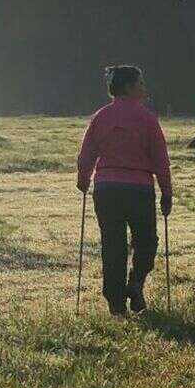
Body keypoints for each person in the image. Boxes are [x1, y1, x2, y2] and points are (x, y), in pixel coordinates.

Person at [76, 65, 173, 316]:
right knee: (146, 241)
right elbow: (160, 159)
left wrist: (83, 178)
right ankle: (136, 281)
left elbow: (87, 154)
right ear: (129, 87)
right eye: (140, 84)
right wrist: (166, 191)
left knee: (113, 245)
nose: (144, 88)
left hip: (107, 188)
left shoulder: (100, 116)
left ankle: (116, 303)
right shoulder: (147, 119)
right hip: (139, 189)